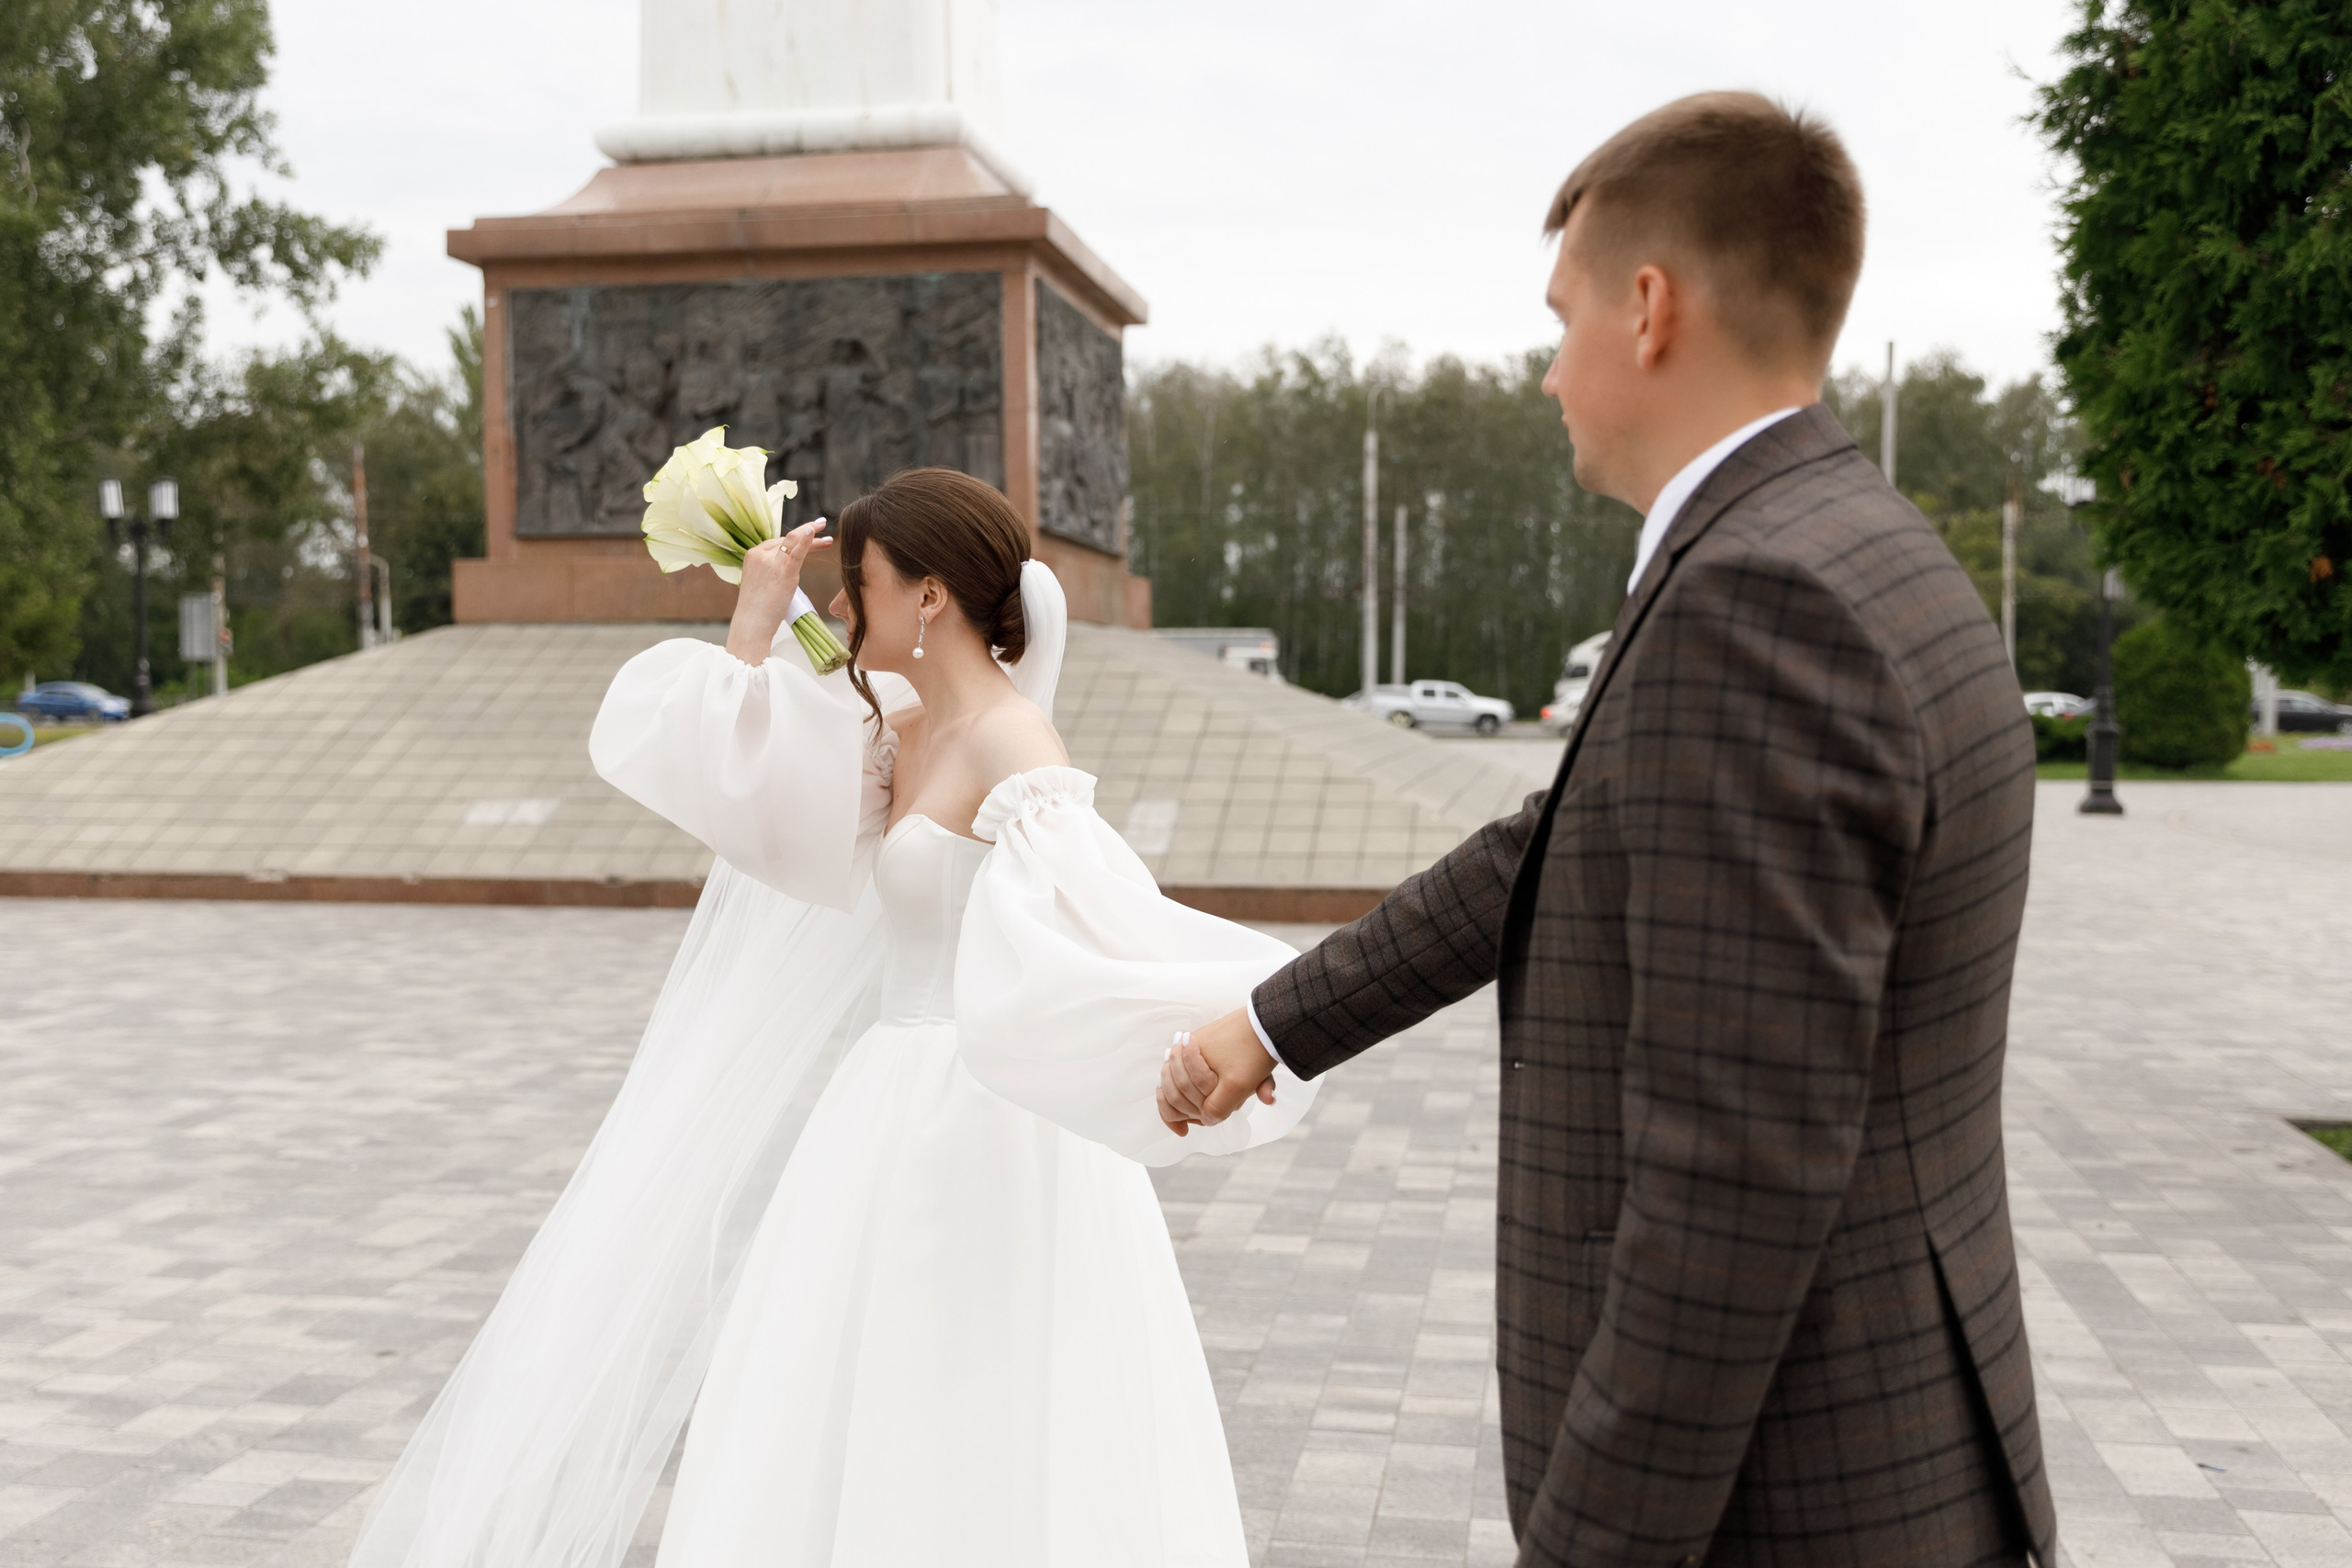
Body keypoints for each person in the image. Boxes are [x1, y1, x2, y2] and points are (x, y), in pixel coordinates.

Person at [1160, 93, 2056, 1568]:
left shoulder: (1759, 602)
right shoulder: (1852, 541)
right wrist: (1276, 1017)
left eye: (1560, 313)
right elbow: (1556, 838)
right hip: (1894, 1442)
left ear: (1649, 309)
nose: (1545, 370)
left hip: (1788, 1491)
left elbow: (1736, 1174)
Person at [346, 467, 1316, 1568]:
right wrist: (761, 610)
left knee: (971, 1390)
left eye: (859, 589)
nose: (845, 613)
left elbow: (1100, 926)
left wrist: (1214, 1026)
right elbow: (740, 761)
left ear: (931, 599)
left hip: (993, 1124)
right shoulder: (892, 727)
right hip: (884, 1112)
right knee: (854, 1388)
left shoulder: (1014, 748)